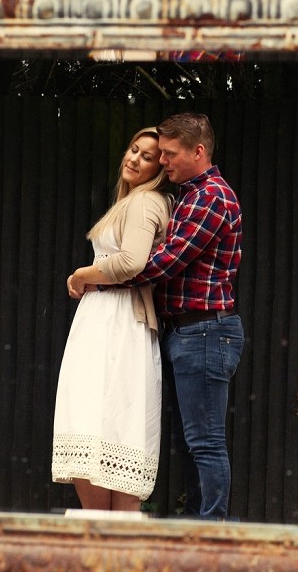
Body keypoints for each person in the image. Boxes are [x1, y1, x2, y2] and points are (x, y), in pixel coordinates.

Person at [70, 112, 243, 521]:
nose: (163, 163)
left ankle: (209, 530)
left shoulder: (211, 198)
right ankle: (195, 523)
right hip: (187, 331)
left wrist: (94, 278)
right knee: (190, 441)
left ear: (197, 151)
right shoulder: (187, 195)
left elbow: (159, 264)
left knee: (205, 442)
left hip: (206, 329)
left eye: (168, 154)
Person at [52, 127, 175, 512]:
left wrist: (80, 274)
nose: (135, 159)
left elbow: (131, 262)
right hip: (107, 317)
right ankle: (111, 533)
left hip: (117, 320)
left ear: (159, 167)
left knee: (100, 415)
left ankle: (107, 534)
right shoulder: (132, 202)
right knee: (105, 419)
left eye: (148, 156)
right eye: (133, 150)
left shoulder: (144, 202)